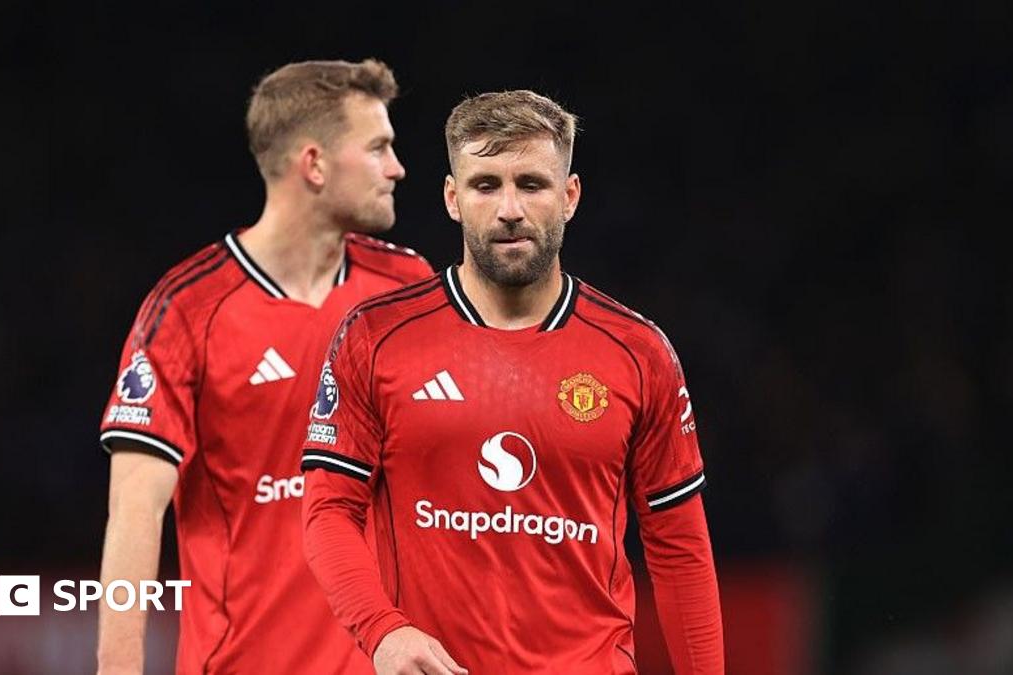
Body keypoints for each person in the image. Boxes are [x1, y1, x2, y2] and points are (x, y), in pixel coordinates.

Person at [300, 90, 724, 674]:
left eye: (531, 184)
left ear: (569, 196)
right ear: (453, 198)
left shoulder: (638, 352)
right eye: (485, 185)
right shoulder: (375, 339)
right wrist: (383, 632)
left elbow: (680, 549)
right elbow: (327, 512)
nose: (509, 209)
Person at [96, 59, 432, 675]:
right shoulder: (188, 309)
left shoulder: (407, 290)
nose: (397, 168)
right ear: (314, 164)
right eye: (379, 147)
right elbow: (135, 514)